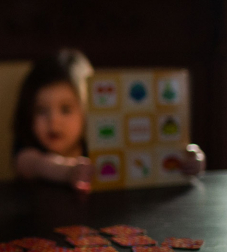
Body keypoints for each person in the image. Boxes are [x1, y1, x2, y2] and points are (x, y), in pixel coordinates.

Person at [12, 49, 205, 192]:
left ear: (89, 110)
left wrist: (188, 159)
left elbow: (146, 158)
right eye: (41, 111)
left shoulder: (105, 146)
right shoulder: (28, 150)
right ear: (27, 112)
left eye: (66, 109)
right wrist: (68, 172)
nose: (53, 122)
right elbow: (33, 164)